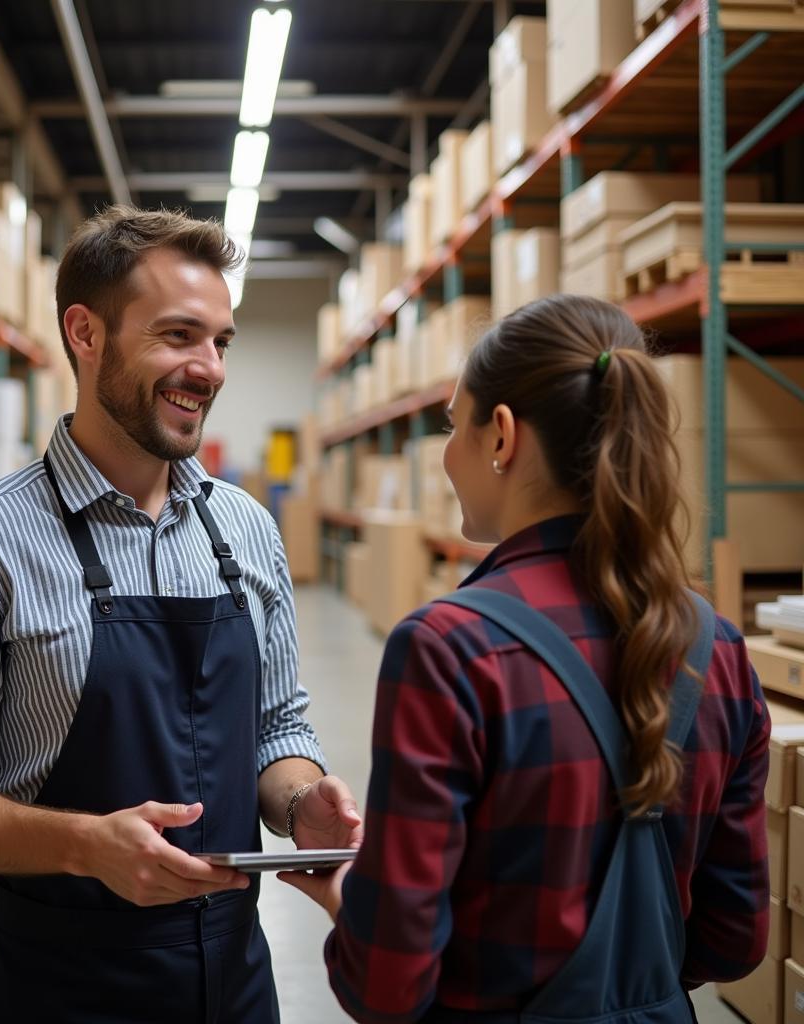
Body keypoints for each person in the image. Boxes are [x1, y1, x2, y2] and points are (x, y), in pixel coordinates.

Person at [0, 206, 362, 1024]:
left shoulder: (244, 530)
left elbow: (276, 727)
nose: (209, 368)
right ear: (85, 333)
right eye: (178, 336)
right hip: (63, 983)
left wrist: (299, 800)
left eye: (221, 342)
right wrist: (81, 846)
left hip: (237, 981)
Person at [282, 295, 770, 1023]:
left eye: (454, 425)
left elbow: (387, 986)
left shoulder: (449, 650)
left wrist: (349, 897)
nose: (447, 454)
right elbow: (732, 944)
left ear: (501, 436)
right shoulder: (715, 648)